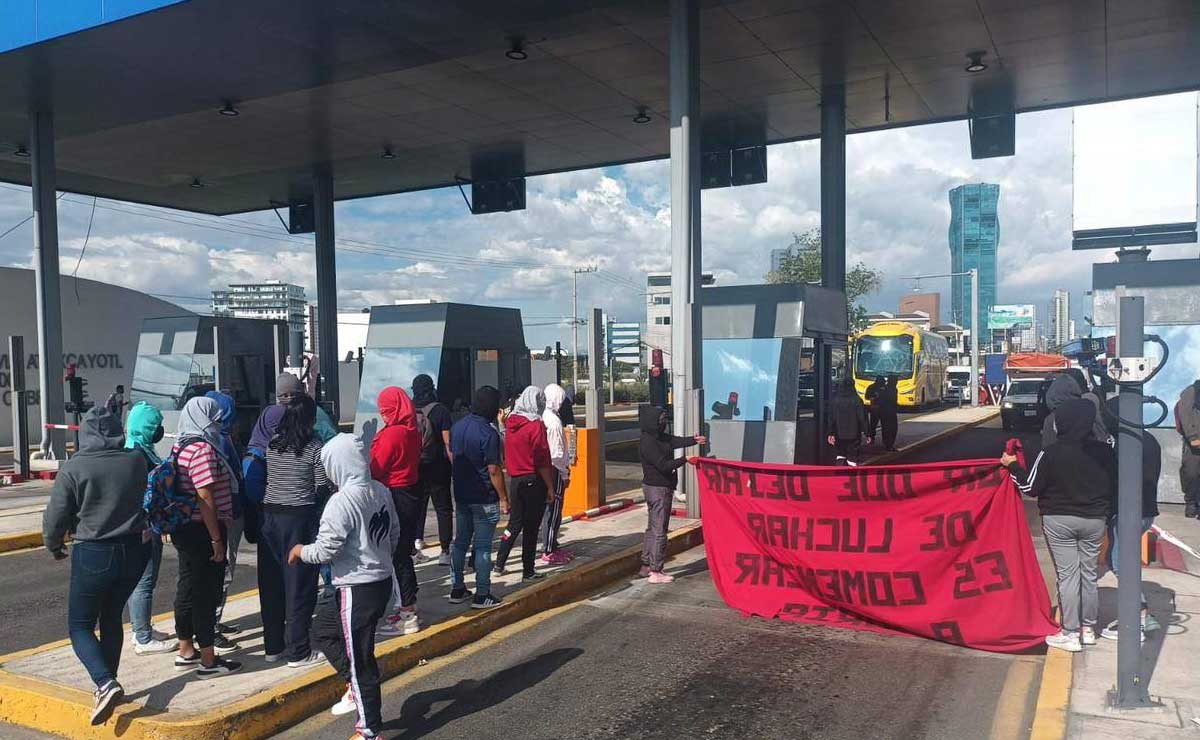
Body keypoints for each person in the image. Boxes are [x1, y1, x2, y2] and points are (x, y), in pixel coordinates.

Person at [43, 407, 150, 725]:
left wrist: (54, 545)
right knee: (112, 617)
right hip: (134, 550)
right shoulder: (135, 460)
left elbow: (55, 518)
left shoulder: (75, 468)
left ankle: (105, 683)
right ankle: (110, 681)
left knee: (79, 625)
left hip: (95, 550)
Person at [289, 434, 398, 740]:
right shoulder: (380, 491)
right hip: (379, 582)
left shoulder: (341, 501)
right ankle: (355, 685)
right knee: (323, 631)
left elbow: (325, 551)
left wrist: (300, 551)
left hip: (356, 589)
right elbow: (394, 534)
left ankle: (368, 730)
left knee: (361, 659)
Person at [1002, 398, 1114, 652]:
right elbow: (1114, 486)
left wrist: (1012, 468)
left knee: (1068, 576)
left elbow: (1031, 488)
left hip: (1059, 519)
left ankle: (1070, 632)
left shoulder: (1050, 452)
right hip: (1095, 519)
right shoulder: (1105, 452)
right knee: (1088, 574)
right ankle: (1088, 629)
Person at [171, 397, 243, 677]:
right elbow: (205, 495)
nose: (218, 420)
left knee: (187, 587)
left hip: (185, 528)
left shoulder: (181, 445)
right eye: (214, 415)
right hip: (203, 530)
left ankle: (185, 649)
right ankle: (209, 661)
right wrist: (216, 539)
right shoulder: (203, 450)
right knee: (206, 593)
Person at [261, 394, 330, 668]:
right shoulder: (314, 448)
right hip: (298, 519)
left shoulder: (271, 445)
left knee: (272, 584)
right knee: (300, 586)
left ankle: (273, 646)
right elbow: (321, 486)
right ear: (311, 419)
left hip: (269, 518)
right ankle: (299, 650)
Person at [1100, 396, 1162, 640]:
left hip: (1128, 511)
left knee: (1119, 562)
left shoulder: (1124, 444)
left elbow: (1115, 478)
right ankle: (1138, 613)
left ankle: (1140, 615)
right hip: (1147, 511)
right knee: (1123, 559)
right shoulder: (1150, 440)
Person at [122, 402, 177, 656]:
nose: (159, 431)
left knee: (144, 580)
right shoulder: (138, 457)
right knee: (144, 581)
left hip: (141, 526)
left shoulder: (135, 449)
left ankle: (142, 628)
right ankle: (142, 637)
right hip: (144, 527)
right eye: (154, 426)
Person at [369, 386, 424, 636]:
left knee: (397, 556)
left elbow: (376, 467)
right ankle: (407, 605)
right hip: (410, 493)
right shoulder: (412, 430)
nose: (382, 413)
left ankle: (407, 613)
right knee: (402, 553)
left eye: (385, 409)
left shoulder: (392, 435)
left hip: (393, 496)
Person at [448, 386, 510, 609]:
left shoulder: (458, 427)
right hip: (484, 497)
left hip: (462, 494)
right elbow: (494, 470)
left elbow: (454, 457)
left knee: (460, 542)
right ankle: (482, 593)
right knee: (483, 546)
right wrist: (504, 497)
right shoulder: (488, 433)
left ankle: (457, 587)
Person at [637, 405, 705, 585]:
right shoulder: (649, 443)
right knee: (660, 530)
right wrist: (685, 460)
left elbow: (673, 441)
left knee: (652, 528)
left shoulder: (655, 436)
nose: (663, 423)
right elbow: (664, 465)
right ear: (652, 422)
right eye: (660, 420)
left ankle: (646, 565)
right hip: (659, 489)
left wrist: (693, 440)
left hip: (653, 488)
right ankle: (656, 571)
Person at [495, 386, 556, 580]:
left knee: (513, 524)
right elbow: (542, 459)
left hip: (515, 481)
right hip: (533, 480)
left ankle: (499, 563)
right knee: (531, 528)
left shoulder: (511, 422)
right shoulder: (536, 425)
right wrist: (550, 487)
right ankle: (528, 570)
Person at [205, 391, 248, 651]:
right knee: (223, 571)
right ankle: (210, 627)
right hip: (227, 515)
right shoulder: (220, 441)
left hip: (224, 514)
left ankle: (213, 621)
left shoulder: (218, 438)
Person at [411, 374, 454, 565]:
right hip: (438, 466)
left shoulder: (409, 409)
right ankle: (445, 550)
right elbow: (447, 442)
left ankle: (417, 542)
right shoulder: (440, 411)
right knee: (443, 508)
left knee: (419, 505)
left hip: (416, 465)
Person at [538, 383, 572, 565]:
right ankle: (549, 549)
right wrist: (565, 474)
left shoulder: (543, 416)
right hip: (555, 471)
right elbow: (557, 454)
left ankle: (551, 542)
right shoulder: (555, 422)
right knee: (554, 510)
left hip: (544, 470)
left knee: (548, 510)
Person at [1040, 374, 1111, 448]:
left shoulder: (1052, 418)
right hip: (1093, 455)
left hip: (1063, 457)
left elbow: (1047, 450)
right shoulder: (1087, 410)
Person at [827, 378, 869, 465]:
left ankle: (839, 474)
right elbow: (862, 418)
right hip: (854, 434)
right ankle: (851, 475)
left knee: (840, 455)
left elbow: (831, 418)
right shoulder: (857, 400)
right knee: (852, 457)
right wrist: (867, 433)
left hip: (838, 434)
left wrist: (830, 433)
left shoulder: (835, 400)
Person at [1177, 380, 1200, 518]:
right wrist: (1192, 437)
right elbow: (1184, 414)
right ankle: (1191, 503)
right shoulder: (1191, 391)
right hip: (1195, 441)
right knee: (1191, 472)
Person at [864, 376, 885, 441]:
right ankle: (871, 437)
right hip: (875, 407)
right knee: (873, 424)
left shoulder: (884, 387)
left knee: (883, 425)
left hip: (882, 408)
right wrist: (874, 397)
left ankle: (873, 437)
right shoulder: (871, 387)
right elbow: (866, 396)